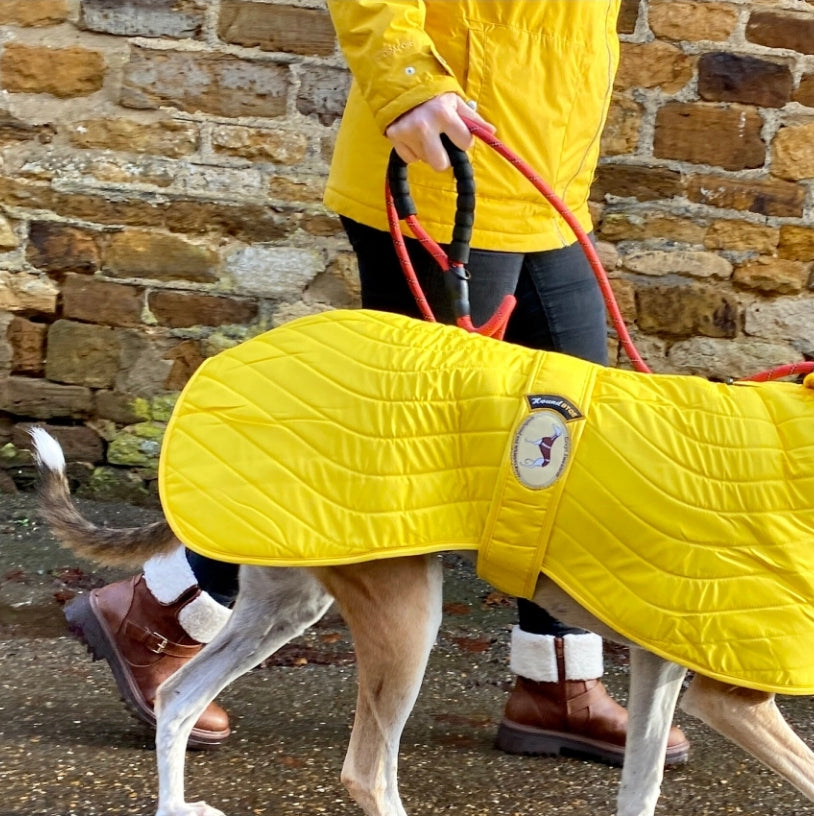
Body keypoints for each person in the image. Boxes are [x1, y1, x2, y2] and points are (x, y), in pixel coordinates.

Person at [66, 0, 689, 767]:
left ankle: (554, 682)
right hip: (438, 164)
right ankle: (162, 606)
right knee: (391, 452)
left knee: (570, 445)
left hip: (545, 175)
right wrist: (406, 82)